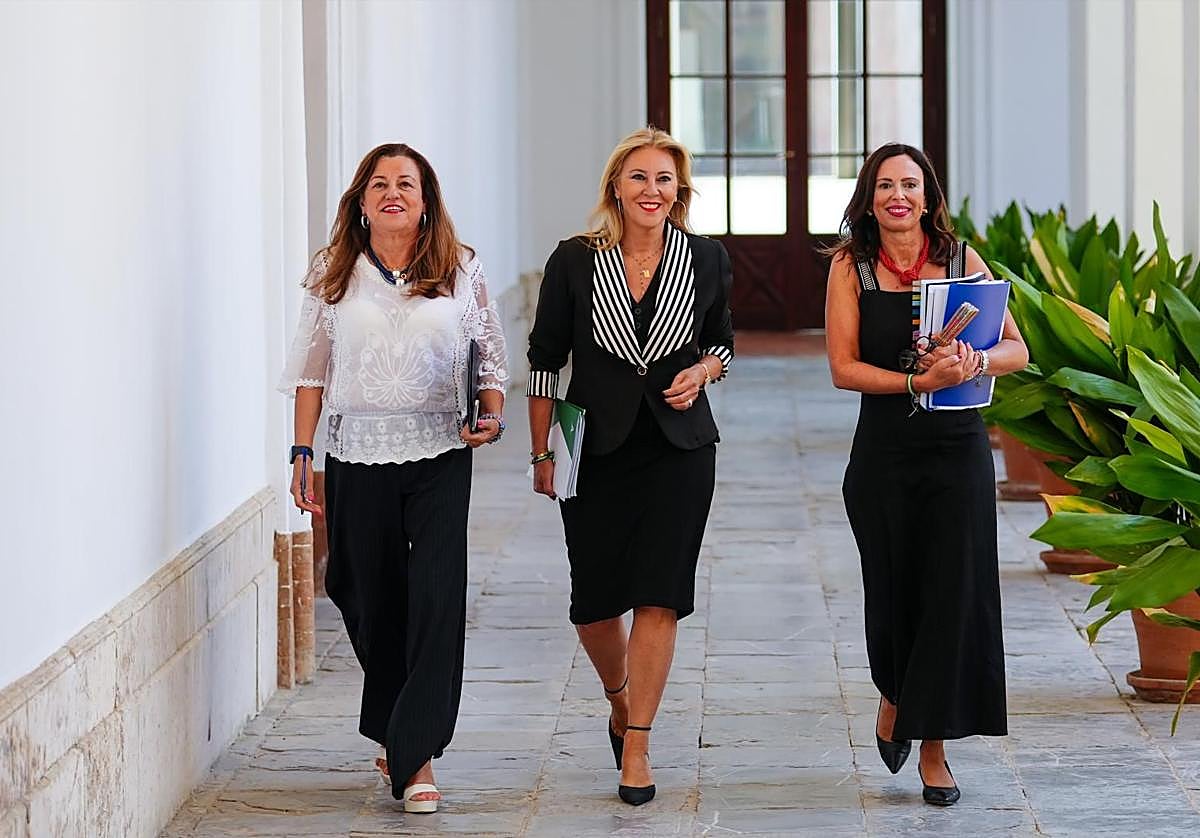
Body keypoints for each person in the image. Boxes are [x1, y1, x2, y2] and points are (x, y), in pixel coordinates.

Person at [278, 142, 508, 813]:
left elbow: (490, 356)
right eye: (379, 184)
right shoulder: (334, 269)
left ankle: (415, 754)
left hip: (439, 451)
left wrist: (491, 414)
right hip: (357, 452)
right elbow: (312, 370)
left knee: (435, 597)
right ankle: (395, 725)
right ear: (361, 200)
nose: (393, 194)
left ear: (426, 200)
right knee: (364, 594)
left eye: (406, 183)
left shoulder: (460, 267)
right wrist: (302, 452)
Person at [526, 126, 734, 806]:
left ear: (679, 191)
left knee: (659, 594)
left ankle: (638, 746)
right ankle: (619, 701)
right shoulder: (575, 260)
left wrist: (702, 372)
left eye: (664, 179)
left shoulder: (706, 258)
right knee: (593, 605)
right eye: (639, 177)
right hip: (593, 447)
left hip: (680, 449)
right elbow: (544, 360)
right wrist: (540, 451)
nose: (652, 189)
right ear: (616, 186)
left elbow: (722, 344)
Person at [825, 143, 1028, 806]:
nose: (899, 197)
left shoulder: (962, 259)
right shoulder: (851, 266)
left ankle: (935, 749)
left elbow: (1017, 349)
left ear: (928, 195)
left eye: (910, 185)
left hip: (956, 453)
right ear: (869, 198)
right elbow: (843, 369)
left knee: (951, 596)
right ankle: (894, 695)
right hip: (883, 457)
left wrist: (974, 362)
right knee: (893, 594)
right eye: (886, 185)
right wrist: (919, 381)